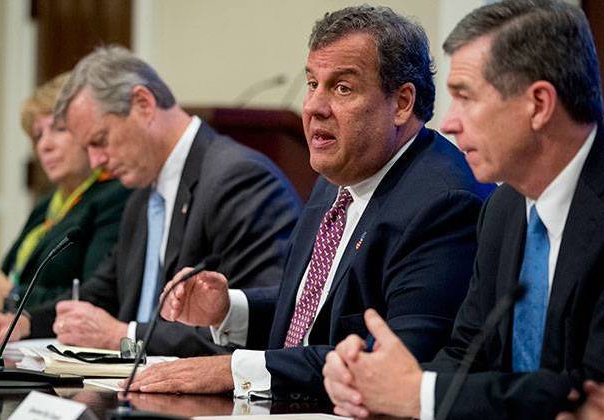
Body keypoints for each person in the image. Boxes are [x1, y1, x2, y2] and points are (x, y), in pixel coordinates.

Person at [126, 5, 493, 399]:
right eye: (313, 83)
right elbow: (313, 319)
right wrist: (228, 310)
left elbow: (398, 361)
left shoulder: (442, 202)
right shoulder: (337, 179)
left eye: (342, 88)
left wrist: (237, 369)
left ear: (402, 103)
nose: (314, 107)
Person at [322, 1, 604, 419]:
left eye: (465, 98)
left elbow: (597, 392)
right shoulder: (503, 209)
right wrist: (373, 387)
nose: (448, 123)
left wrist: (418, 394)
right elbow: (467, 355)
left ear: (538, 104)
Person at [0, 46, 302, 355]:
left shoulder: (238, 179)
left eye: (100, 141)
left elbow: (258, 325)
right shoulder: (142, 193)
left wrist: (122, 335)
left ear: (143, 104)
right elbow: (100, 294)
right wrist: (24, 323)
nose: (96, 162)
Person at [0, 73, 130, 324]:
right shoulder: (47, 204)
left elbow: (95, 299)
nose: (45, 145)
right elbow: (6, 277)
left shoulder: (115, 197)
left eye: (58, 129)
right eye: (38, 135)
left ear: (89, 132)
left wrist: (10, 297)